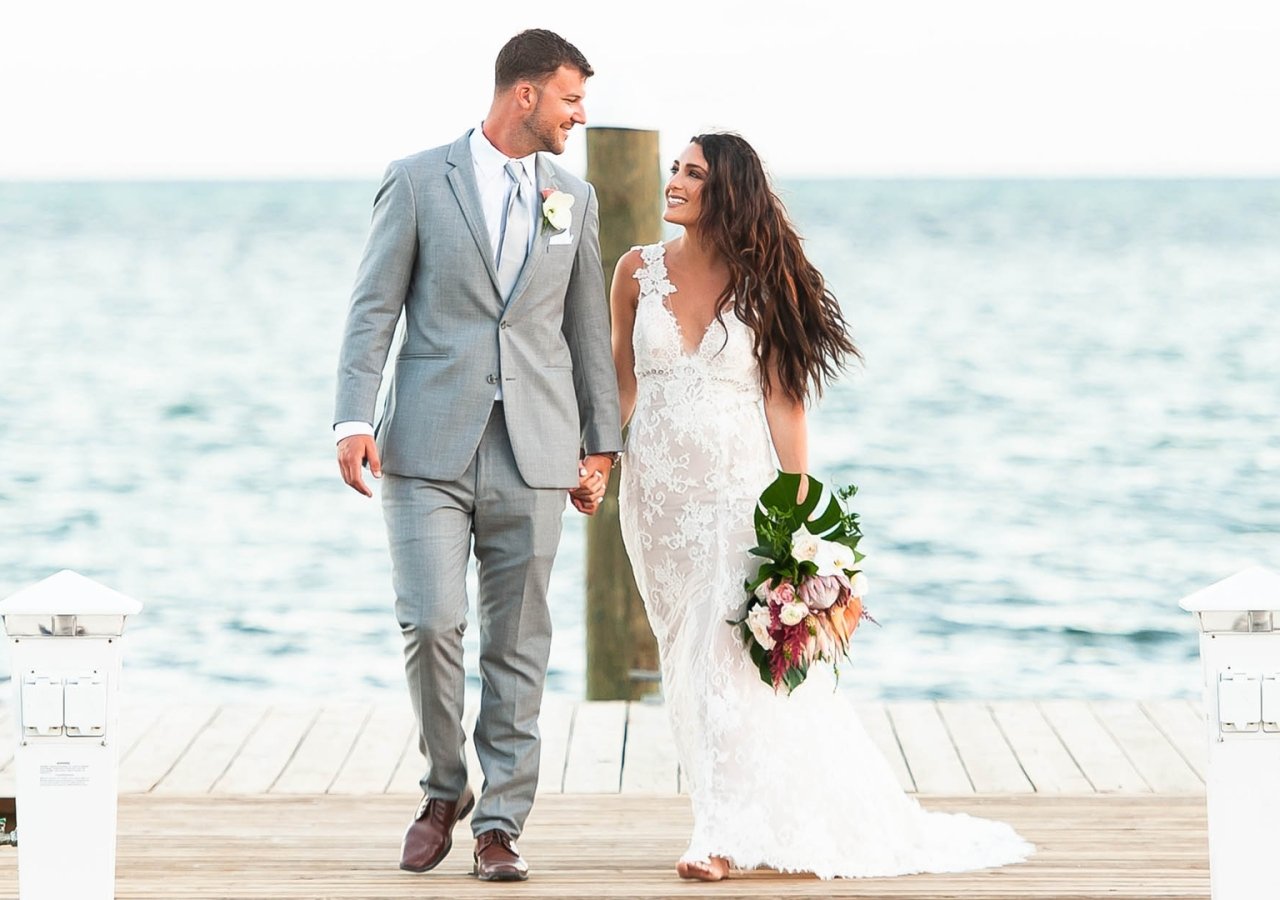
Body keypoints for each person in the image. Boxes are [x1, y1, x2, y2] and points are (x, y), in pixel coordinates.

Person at [612, 132, 1033, 881]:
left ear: (728, 191)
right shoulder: (635, 272)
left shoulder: (763, 285)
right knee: (685, 662)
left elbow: (783, 399)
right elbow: (621, 387)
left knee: (724, 659)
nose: (673, 180)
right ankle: (733, 811)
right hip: (656, 503)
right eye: (674, 168)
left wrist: (801, 508)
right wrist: (595, 459)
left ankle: (719, 831)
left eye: (693, 173)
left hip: (739, 494)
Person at [333, 29, 621, 882]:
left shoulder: (574, 195)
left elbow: (585, 331)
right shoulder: (419, 179)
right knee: (430, 622)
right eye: (571, 99)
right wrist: (352, 418)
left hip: (536, 448)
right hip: (424, 444)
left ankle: (500, 824)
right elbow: (372, 308)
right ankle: (444, 787)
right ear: (525, 95)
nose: (579, 116)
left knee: (519, 641)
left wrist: (599, 446)